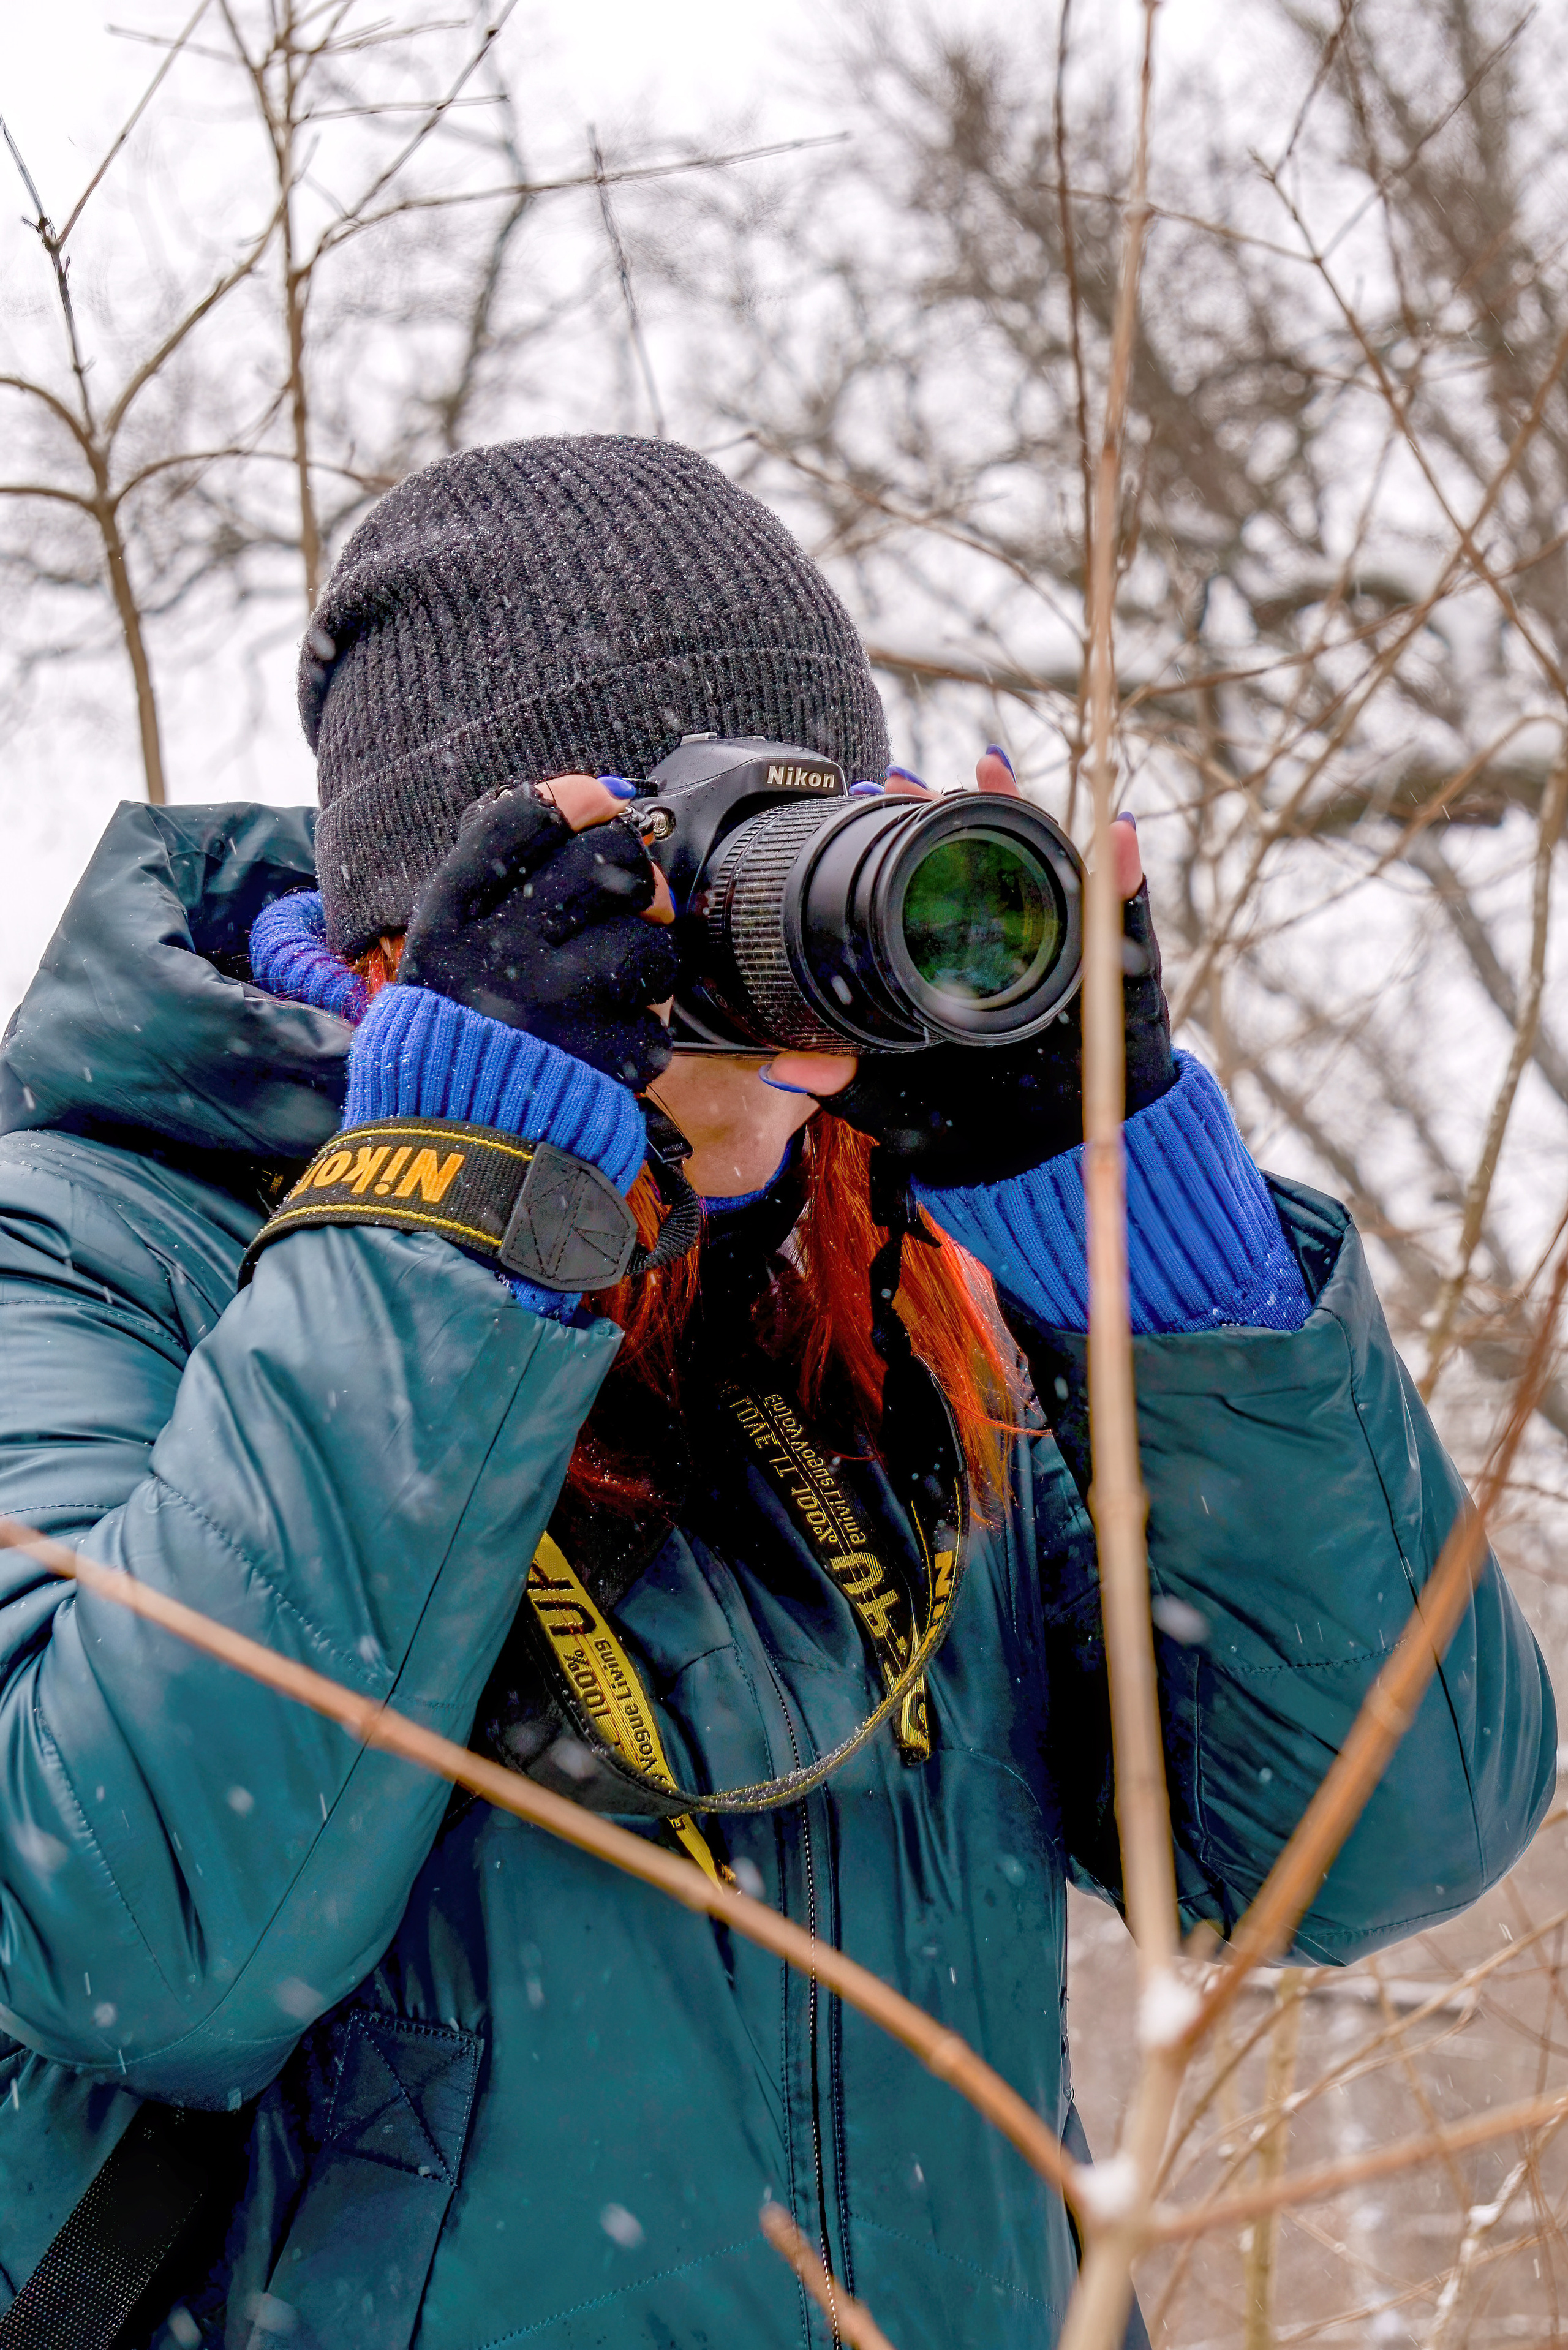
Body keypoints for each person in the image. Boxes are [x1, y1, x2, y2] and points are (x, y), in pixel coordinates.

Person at [0, 436, 1553, 2350]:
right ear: (473, 896)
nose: (793, 984)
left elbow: (1388, 1837)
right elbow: (138, 1937)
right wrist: (467, 1205)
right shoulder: (89, 1241)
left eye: (824, 843)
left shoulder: (877, 1296)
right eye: (690, 873)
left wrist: (1134, 1232)